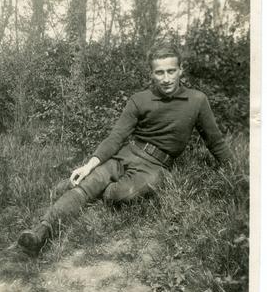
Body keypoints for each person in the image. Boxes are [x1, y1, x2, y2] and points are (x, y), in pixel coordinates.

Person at [17, 44, 233, 256]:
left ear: (180, 70)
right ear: (151, 74)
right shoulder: (139, 99)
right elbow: (116, 137)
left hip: (155, 166)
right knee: (88, 184)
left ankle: (86, 191)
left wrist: (234, 172)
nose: (166, 78)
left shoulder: (197, 100)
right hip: (126, 155)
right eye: (159, 72)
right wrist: (89, 165)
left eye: (171, 71)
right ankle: (40, 232)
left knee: (119, 195)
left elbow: (215, 141)